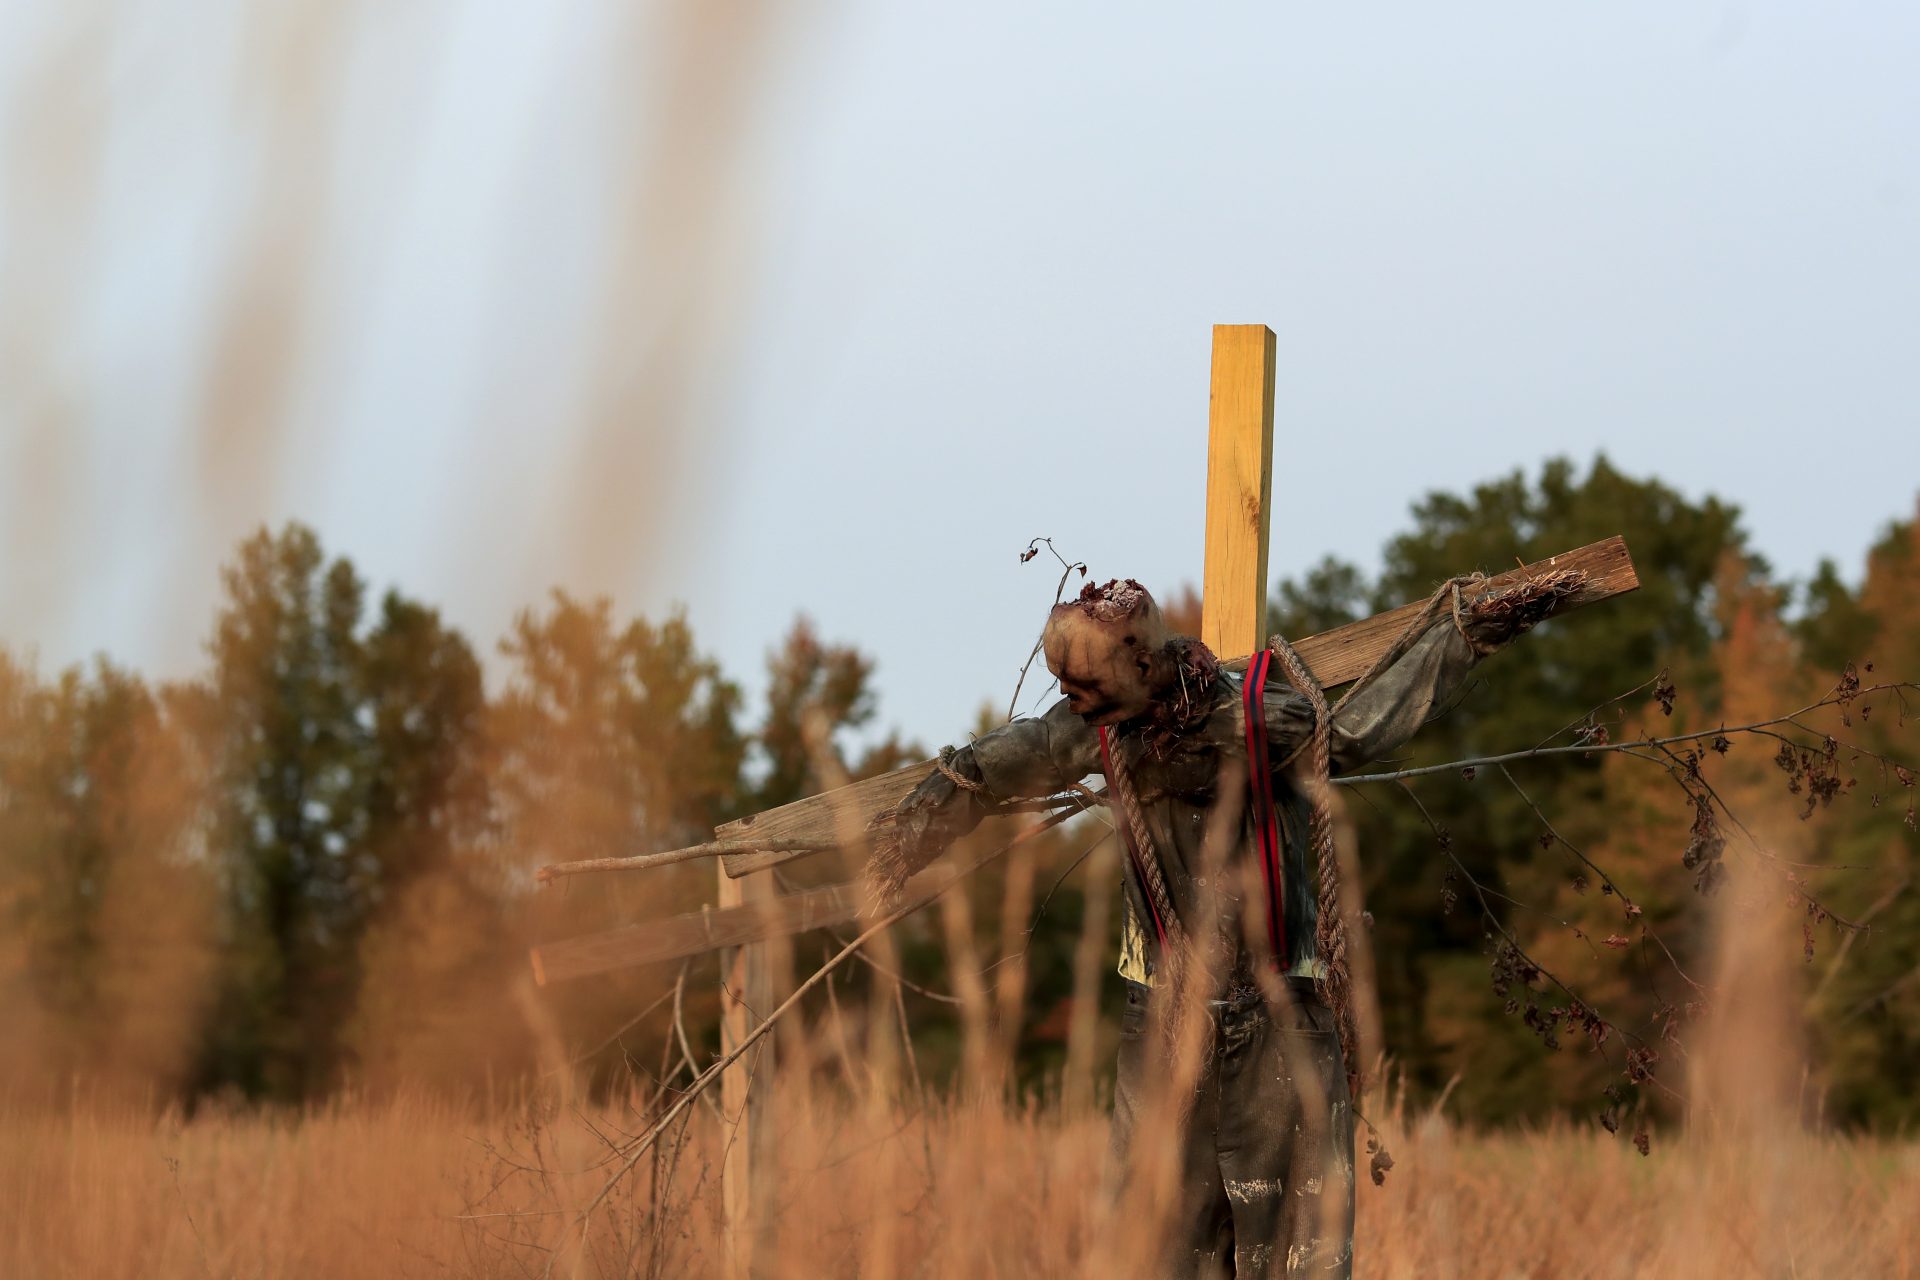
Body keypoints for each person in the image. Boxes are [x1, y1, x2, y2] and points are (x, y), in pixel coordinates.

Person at [867, 573, 1563, 1278]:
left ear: (1142, 662)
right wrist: (908, 835)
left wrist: (1467, 636)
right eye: (1058, 680)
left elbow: (1351, 733)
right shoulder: (1088, 733)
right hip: (1162, 1028)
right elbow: (991, 766)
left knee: (1300, 1253)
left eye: (1079, 680)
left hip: (1280, 1023)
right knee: (1156, 1252)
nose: (1066, 696)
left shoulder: (1254, 719)